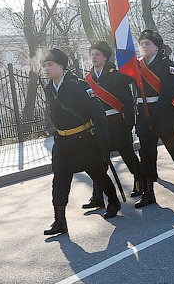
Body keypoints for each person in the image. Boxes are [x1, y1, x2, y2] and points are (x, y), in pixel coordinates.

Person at [41, 48, 120, 236]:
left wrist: (103, 142)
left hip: (82, 139)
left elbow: (98, 114)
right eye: (44, 65)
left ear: (61, 66)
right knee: (59, 179)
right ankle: (60, 220)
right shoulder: (49, 88)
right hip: (62, 141)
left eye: (49, 65)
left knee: (97, 173)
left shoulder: (79, 85)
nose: (46, 68)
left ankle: (113, 200)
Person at [135, 29, 174, 208]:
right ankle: (148, 191)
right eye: (142, 43)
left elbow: (168, 91)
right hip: (144, 112)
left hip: (164, 113)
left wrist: (157, 114)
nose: (144, 46)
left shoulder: (165, 63)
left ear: (156, 47)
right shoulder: (136, 65)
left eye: (148, 43)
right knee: (146, 152)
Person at [81, 41, 141, 208]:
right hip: (100, 125)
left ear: (105, 57)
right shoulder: (88, 79)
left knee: (128, 154)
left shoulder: (116, 75)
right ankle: (97, 196)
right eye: (92, 54)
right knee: (98, 160)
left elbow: (128, 102)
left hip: (117, 122)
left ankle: (140, 182)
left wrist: (129, 123)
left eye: (97, 54)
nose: (94, 57)